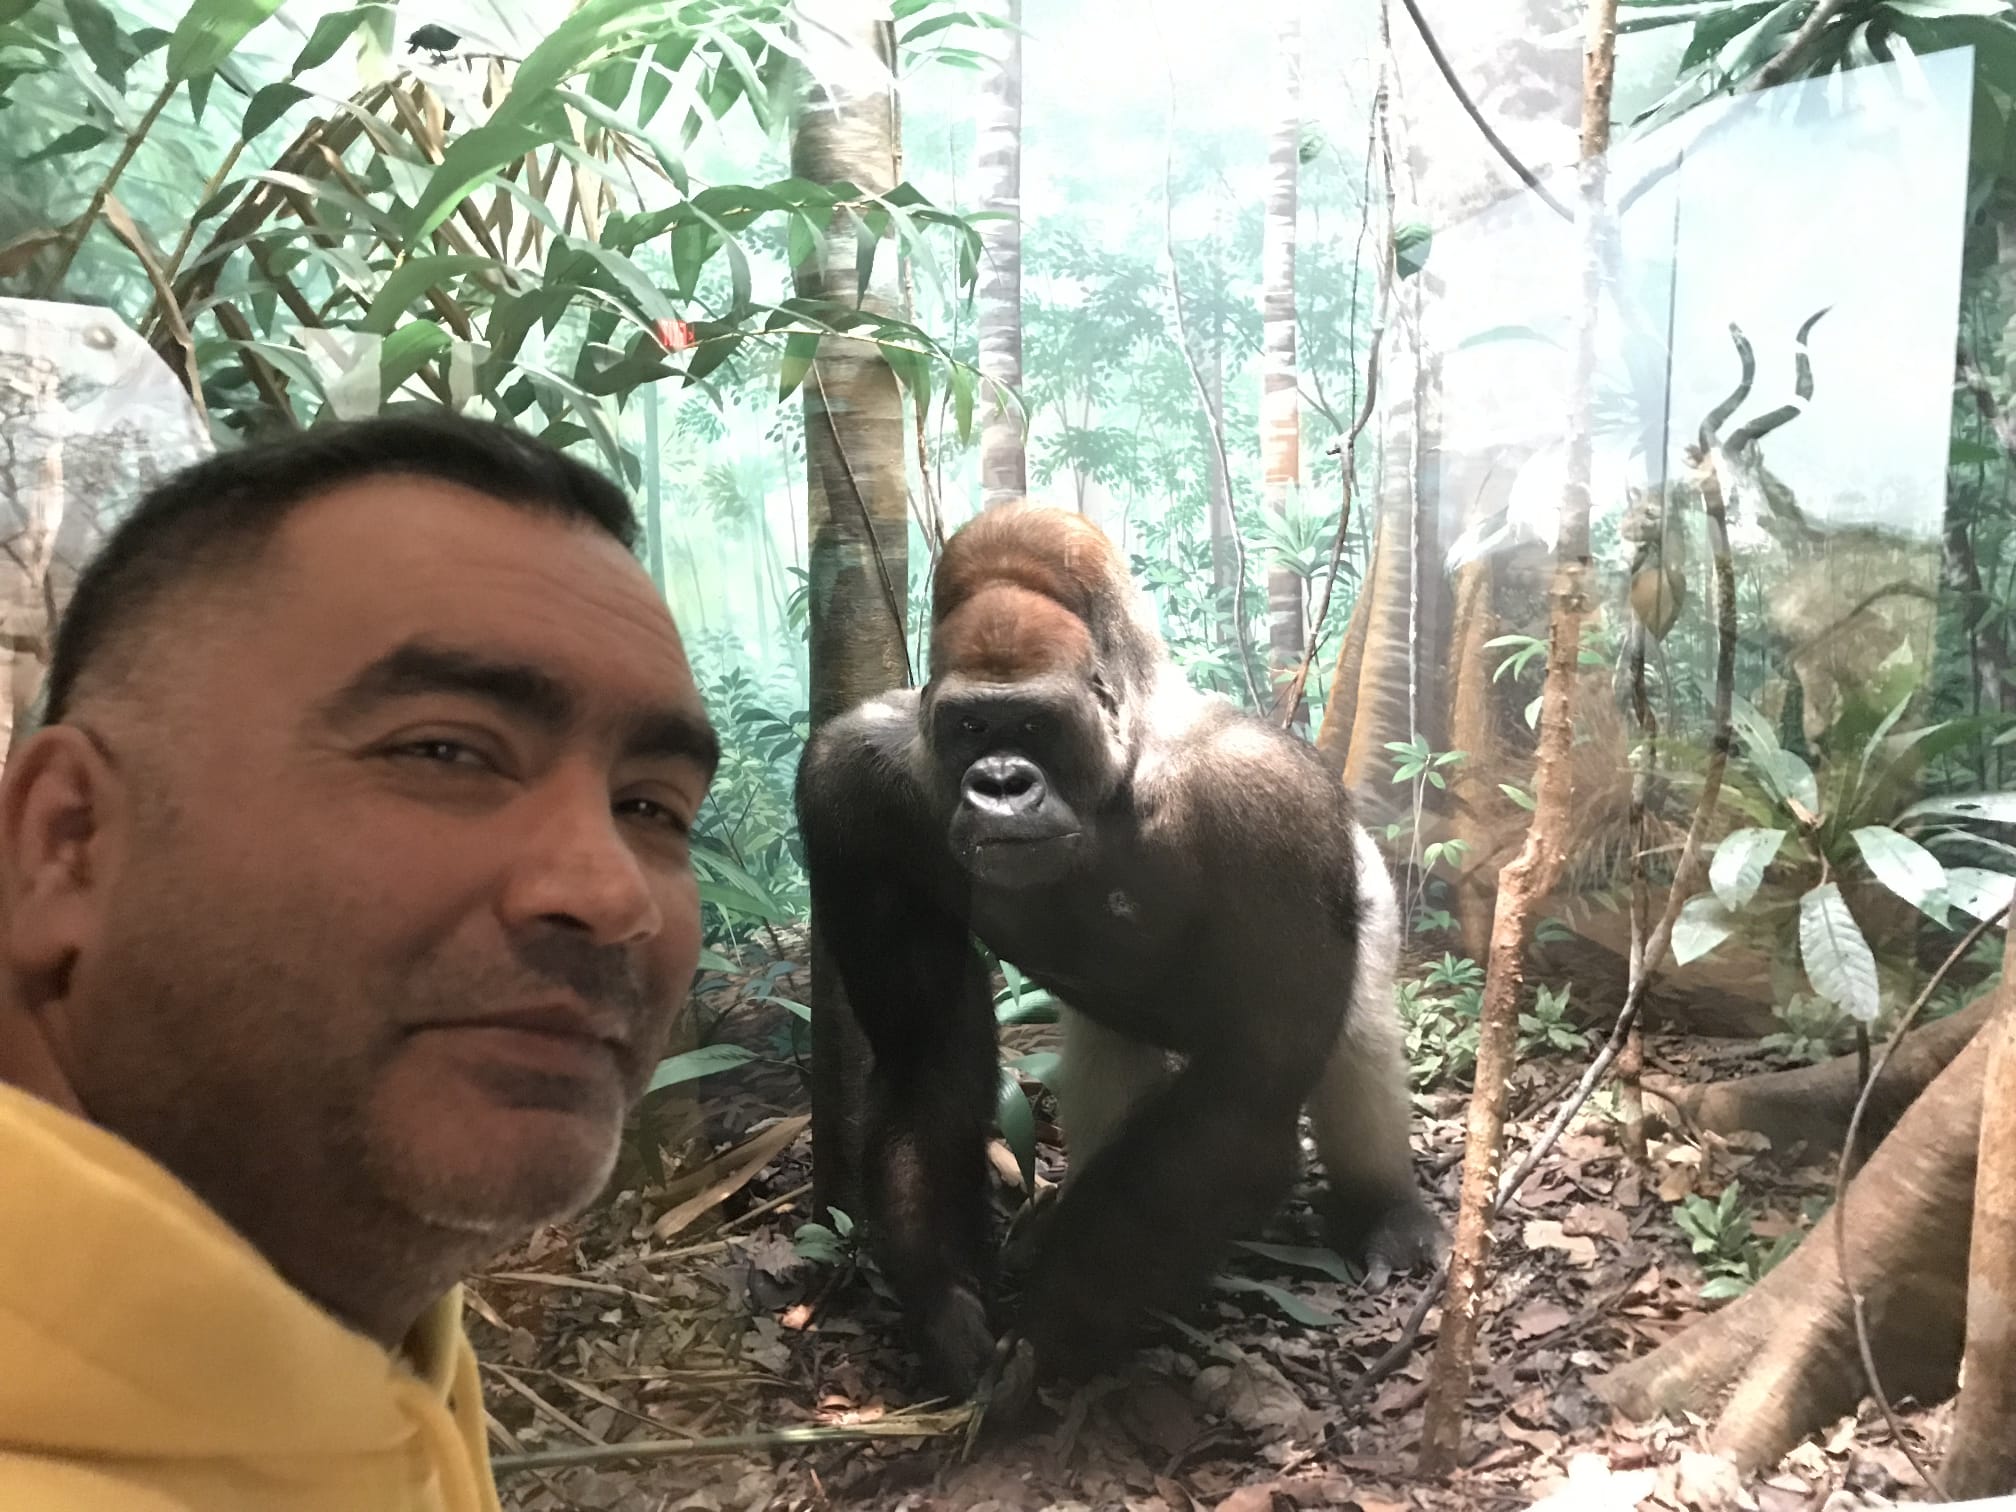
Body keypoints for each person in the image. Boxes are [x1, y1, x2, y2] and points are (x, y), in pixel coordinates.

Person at [0, 411, 720, 1511]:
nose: (611, 893)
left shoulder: (348, 1349)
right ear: (69, 842)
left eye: (651, 808)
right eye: (445, 751)